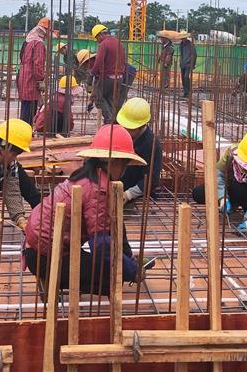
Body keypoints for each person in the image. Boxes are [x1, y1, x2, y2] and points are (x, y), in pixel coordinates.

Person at [23, 124, 154, 295]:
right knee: (112, 277)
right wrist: (129, 270)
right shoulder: (98, 189)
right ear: (114, 162)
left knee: (116, 265)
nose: (124, 170)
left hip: (41, 248)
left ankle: (56, 276)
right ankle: (51, 279)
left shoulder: (89, 176)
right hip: (46, 257)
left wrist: (128, 259)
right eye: (125, 164)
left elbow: (115, 227)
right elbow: (100, 245)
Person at [191, 128, 247, 233]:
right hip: (230, 187)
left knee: (241, 189)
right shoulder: (231, 153)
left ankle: (239, 206)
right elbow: (218, 175)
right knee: (198, 193)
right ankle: (231, 203)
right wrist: (222, 198)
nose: (244, 168)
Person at [117, 97, 163, 203]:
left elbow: (152, 179)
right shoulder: (120, 131)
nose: (125, 130)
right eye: (124, 126)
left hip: (138, 195)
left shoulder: (152, 144)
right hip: (117, 186)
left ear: (142, 125)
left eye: (130, 128)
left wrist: (128, 195)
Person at [89, 24, 127, 124]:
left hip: (108, 78)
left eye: (97, 38)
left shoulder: (104, 44)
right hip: (120, 78)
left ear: (100, 34)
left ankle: (109, 119)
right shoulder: (120, 43)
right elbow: (124, 61)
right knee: (110, 100)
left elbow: (99, 61)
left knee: (98, 98)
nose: (97, 41)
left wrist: (92, 74)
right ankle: (112, 123)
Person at [17, 17, 51, 125]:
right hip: (31, 79)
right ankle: (26, 131)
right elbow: (38, 65)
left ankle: (23, 130)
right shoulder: (39, 44)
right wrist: (41, 80)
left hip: (23, 76)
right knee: (30, 110)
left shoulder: (28, 42)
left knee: (25, 107)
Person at [179, 33, 197, 98]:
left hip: (189, 64)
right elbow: (181, 54)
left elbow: (194, 54)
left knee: (186, 77)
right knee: (183, 78)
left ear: (185, 38)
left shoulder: (190, 44)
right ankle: (185, 92)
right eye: (182, 38)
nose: (182, 39)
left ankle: (189, 91)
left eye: (183, 38)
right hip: (183, 64)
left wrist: (193, 64)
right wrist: (180, 62)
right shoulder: (181, 44)